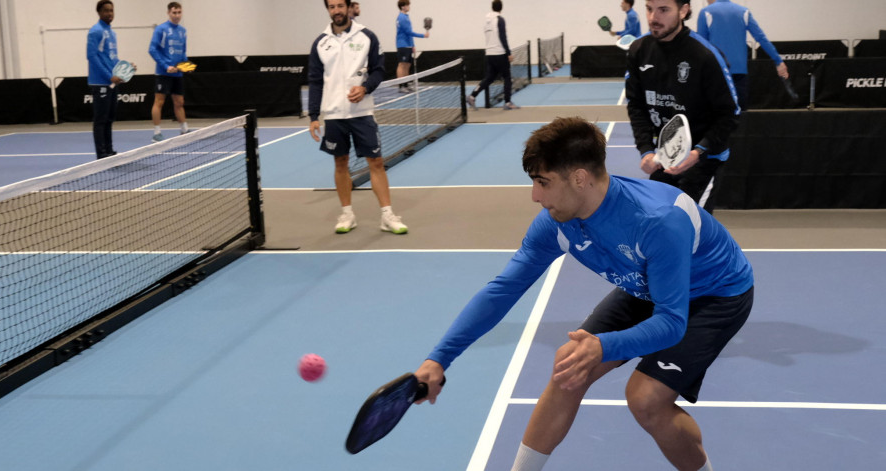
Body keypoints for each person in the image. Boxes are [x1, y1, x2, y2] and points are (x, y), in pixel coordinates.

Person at [414, 116, 754, 471]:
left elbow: (671, 322)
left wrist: (604, 346)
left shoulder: (658, 221)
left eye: (543, 182)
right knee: (569, 366)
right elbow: (503, 290)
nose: (535, 196)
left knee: (646, 399)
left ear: (579, 178)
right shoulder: (556, 223)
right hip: (644, 283)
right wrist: (439, 358)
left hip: (716, 292)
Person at [625, 0, 740, 214]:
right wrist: (646, 150)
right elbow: (636, 105)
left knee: (690, 229)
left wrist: (698, 152)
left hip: (705, 159)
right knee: (658, 224)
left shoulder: (706, 56)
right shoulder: (638, 50)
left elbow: (729, 115)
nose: (653, 18)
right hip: (666, 155)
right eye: (649, 9)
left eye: (663, 10)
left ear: (683, 11)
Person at [308, 0, 409, 235]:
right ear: (328, 10)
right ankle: (347, 214)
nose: (336, 11)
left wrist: (365, 88)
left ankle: (387, 215)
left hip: (362, 113)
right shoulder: (320, 43)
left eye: (340, 6)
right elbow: (314, 80)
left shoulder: (367, 37)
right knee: (340, 163)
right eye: (332, 7)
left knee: (376, 162)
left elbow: (379, 70)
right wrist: (314, 115)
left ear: (348, 7)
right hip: (334, 115)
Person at [696, 0, 789, 111]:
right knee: (741, 117)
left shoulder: (706, 12)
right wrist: (778, 61)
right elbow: (761, 38)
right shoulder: (743, 12)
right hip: (739, 73)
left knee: (717, 116)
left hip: (716, 72)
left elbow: (701, 46)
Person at [87, 0, 133, 159]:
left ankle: (109, 150)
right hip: (100, 82)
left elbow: (112, 59)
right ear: (99, 12)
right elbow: (91, 56)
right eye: (106, 10)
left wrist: (126, 69)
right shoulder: (95, 31)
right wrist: (109, 76)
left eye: (111, 10)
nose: (109, 13)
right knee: (100, 119)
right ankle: (101, 154)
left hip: (112, 83)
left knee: (109, 118)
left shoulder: (112, 33)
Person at [466, 1, 520, 111]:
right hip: (500, 53)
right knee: (507, 77)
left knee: (489, 78)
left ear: (492, 7)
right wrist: (508, 53)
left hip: (489, 54)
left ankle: (472, 96)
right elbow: (503, 37)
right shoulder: (500, 20)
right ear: (501, 8)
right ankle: (508, 102)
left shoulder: (487, 21)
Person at [148, 2, 190, 142]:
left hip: (177, 74)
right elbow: (152, 49)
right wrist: (166, 66)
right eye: (174, 12)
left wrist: (185, 65)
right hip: (163, 73)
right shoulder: (161, 29)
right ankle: (156, 133)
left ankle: (184, 129)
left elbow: (183, 52)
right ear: (168, 13)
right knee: (159, 102)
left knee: (179, 102)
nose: (177, 15)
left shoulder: (183, 31)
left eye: (179, 12)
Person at [395, 0, 428, 93]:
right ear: (402, 7)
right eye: (407, 5)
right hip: (402, 45)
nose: (409, 7)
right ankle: (401, 86)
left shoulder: (406, 17)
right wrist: (423, 35)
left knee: (407, 65)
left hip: (408, 45)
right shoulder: (402, 18)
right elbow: (409, 32)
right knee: (402, 65)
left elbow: (409, 34)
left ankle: (406, 84)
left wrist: (412, 45)